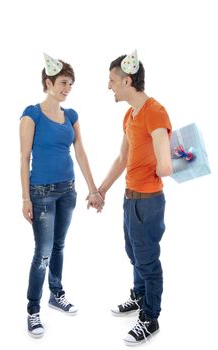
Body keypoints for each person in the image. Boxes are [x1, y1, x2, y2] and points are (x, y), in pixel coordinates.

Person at [20, 53, 103, 338]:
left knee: (59, 246)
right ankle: (33, 310)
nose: (67, 88)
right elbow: (24, 157)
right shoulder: (31, 114)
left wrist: (93, 189)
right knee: (42, 253)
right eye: (63, 82)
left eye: (70, 84)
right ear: (48, 82)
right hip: (40, 193)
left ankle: (56, 293)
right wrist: (25, 198)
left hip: (68, 190)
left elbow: (80, 152)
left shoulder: (71, 116)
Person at [96, 50, 172, 345]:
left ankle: (150, 318)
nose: (109, 86)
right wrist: (102, 189)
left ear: (127, 80)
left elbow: (165, 166)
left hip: (148, 202)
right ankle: (140, 297)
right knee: (134, 253)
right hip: (130, 199)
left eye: (112, 80)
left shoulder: (155, 112)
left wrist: (166, 159)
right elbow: (122, 158)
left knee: (147, 260)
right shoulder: (130, 114)